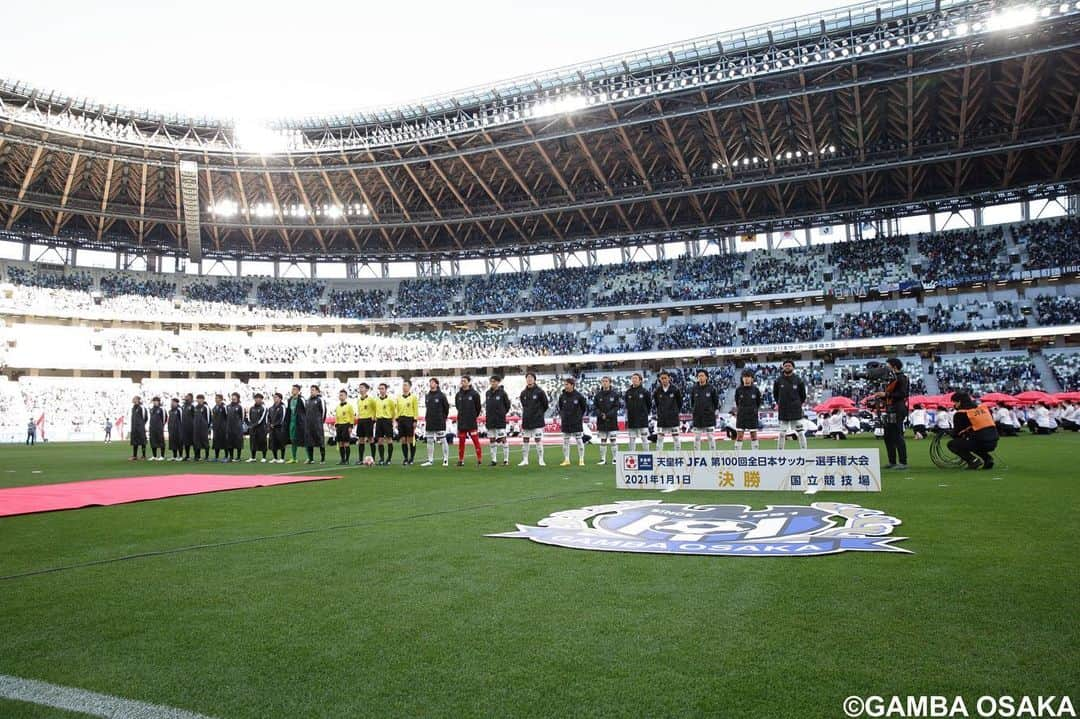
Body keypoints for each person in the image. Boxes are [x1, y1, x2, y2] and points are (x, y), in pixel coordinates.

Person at [948, 392, 999, 470]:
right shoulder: (983, 409)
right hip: (994, 441)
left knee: (952, 444)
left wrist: (948, 432)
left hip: (980, 441)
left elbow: (956, 434)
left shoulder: (961, 414)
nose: (954, 405)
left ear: (959, 402)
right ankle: (988, 459)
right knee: (972, 441)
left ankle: (973, 461)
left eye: (955, 402)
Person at [876, 358, 909, 469]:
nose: (886, 368)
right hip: (891, 408)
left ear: (894, 366)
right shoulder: (891, 378)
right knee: (888, 436)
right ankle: (892, 461)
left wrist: (885, 395)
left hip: (897, 409)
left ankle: (903, 462)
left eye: (888, 365)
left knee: (897, 435)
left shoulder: (902, 378)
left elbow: (902, 394)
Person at [773, 359, 808, 450]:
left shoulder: (798, 380)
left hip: (795, 410)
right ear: (783, 367)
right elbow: (775, 395)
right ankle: (780, 454)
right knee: (781, 434)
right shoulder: (778, 380)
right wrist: (781, 403)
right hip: (783, 411)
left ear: (793, 367)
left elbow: (803, 396)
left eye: (789, 366)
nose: (787, 367)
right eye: (785, 366)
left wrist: (796, 404)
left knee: (800, 433)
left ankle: (804, 452)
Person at [518, 372, 549, 466]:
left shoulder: (540, 391)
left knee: (538, 440)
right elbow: (524, 405)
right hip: (527, 420)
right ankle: (525, 460)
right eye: (527, 377)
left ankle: (541, 460)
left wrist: (539, 414)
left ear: (534, 379)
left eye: (531, 377)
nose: (529, 379)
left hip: (537, 420)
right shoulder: (523, 393)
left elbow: (545, 405)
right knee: (525, 440)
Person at [557, 377, 588, 466]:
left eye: (567, 384)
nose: (565, 386)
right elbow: (560, 407)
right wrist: (563, 416)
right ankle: (566, 460)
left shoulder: (579, 396)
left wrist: (578, 417)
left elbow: (584, 408)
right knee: (565, 441)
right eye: (565, 384)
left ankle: (581, 459)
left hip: (576, 422)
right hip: (566, 422)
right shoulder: (562, 396)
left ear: (572, 385)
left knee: (579, 441)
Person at [455, 375, 483, 467]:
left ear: (469, 382)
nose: (462, 382)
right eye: (461, 381)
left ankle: (479, 459)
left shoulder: (474, 394)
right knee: (461, 442)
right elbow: (457, 406)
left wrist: (473, 416)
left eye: (464, 381)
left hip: (471, 422)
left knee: (476, 441)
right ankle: (461, 460)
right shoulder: (458, 394)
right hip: (462, 422)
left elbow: (478, 407)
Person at [422, 378, 450, 467]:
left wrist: (443, 417)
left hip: (439, 420)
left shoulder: (441, 395)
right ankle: (430, 460)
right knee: (429, 440)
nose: (431, 384)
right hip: (430, 420)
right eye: (430, 382)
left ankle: (445, 459)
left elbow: (446, 408)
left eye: (433, 382)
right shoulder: (427, 395)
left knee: (442, 439)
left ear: (437, 384)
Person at [689, 369, 720, 452]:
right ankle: (697, 456)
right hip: (697, 417)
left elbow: (716, 402)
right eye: (699, 376)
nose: (700, 377)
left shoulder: (712, 388)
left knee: (710, 437)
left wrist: (714, 411)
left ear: (706, 377)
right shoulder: (694, 389)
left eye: (702, 376)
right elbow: (692, 402)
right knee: (697, 437)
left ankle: (713, 455)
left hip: (709, 417)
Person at [592, 376, 621, 465]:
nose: (604, 383)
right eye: (603, 381)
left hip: (612, 420)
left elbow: (617, 407)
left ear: (610, 382)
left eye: (606, 381)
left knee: (613, 440)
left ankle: (615, 459)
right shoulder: (598, 395)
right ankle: (602, 459)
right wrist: (601, 415)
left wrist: (607, 415)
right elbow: (595, 407)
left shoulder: (614, 394)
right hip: (601, 420)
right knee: (603, 440)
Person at [652, 371, 683, 451]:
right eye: (662, 378)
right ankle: (658, 456)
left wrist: (674, 411)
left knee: (676, 438)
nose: (664, 380)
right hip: (662, 418)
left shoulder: (675, 389)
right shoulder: (657, 391)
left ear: (669, 378)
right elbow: (657, 403)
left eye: (665, 378)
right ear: (659, 379)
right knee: (660, 438)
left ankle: (678, 455)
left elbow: (680, 403)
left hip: (673, 418)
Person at [484, 376, 512, 466]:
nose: (493, 383)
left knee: (503, 439)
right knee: (492, 440)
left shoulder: (503, 393)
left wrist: (501, 413)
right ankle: (494, 460)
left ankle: (506, 460)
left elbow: (507, 405)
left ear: (498, 382)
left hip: (500, 420)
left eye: (494, 381)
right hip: (490, 420)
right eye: (491, 381)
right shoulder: (487, 393)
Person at [733, 370, 762, 451]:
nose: (746, 379)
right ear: (742, 379)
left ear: (752, 379)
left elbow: (758, 403)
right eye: (744, 377)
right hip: (741, 415)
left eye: (748, 377)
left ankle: (755, 455)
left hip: (752, 415)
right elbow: (737, 402)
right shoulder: (738, 390)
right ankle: (737, 455)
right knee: (739, 436)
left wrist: (753, 410)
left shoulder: (756, 390)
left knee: (753, 436)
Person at [624, 372, 652, 451]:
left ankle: (646, 455)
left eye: (636, 378)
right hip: (632, 419)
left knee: (644, 439)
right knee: (631, 439)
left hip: (642, 420)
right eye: (633, 378)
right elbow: (627, 404)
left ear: (640, 380)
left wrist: (645, 413)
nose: (634, 380)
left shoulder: (645, 392)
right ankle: (632, 456)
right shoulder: (628, 392)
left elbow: (649, 404)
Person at [397, 380, 419, 466]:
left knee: (410, 439)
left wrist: (415, 420)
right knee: (403, 440)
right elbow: (397, 409)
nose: (404, 387)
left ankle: (412, 458)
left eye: (406, 385)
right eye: (403, 385)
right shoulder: (399, 397)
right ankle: (405, 458)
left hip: (409, 419)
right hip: (401, 419)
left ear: (410, 387)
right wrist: (397, 419)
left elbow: (415, 409)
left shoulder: (413, 397)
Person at [374, 383, 396, 466]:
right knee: (380, 440)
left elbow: (394, 412)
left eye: (382, 388)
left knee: (389, 439)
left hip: (387, 420)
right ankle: (381, 459)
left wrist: (393, 421)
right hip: (379, 421)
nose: (381, 390)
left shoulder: (390, 400)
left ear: (386, 390)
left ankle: (389, 459)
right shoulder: (376, 400)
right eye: (380, 389)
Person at [304, 385, 327, 464]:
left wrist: (321, 422)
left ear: (317, 391)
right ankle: (311, 459)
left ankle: (323, 459)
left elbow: (323, 412)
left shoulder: (320, 399)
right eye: (311, 390)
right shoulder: (307, 400)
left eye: (313, 390)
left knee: (320, 441)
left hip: (317, 425)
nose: (311, 391)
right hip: (309, 425)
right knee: (309, 442)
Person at [284, 384, 307, 464]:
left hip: (300, 423)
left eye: (294, 389)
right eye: (292, 389)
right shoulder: (290, 400)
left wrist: (305, 421)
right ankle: (294, 458)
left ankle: (309, 458)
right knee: (293, 440)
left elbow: (306, 410)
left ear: (298, 391)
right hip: (292, 422)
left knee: (304, 439)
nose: (292, 390)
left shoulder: (302, 399)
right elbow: (289, 411)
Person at [334, 389, 355, 465]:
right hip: (339, 425)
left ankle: (347, 460)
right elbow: (336, 416)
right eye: (340, 395)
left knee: (346, 443)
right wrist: (336, 425)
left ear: (346, 396)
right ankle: (342, 459)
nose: (341, 396)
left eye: (342, 395)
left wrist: (350, 426)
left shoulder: (349, 406)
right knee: (340, 443)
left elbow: (352, 416)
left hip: (346, 425)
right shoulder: (338, 406)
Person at [247, 393, 268, 462]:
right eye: (256, 398)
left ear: (261, 399)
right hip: (253, 428)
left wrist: (255, 424)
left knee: (262, 442)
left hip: (261, 428)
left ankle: (264, 457)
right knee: (253, 442)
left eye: (259, 398)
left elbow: (262, 419)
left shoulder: (264, 408)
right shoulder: (252, 408)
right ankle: (253, 457)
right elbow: (249, 417)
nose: (257, 400)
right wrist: (251, 425)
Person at [268, 392, 287, 463]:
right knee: (273, 443)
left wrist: (275, 424)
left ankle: (282, 458)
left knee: (281, 443)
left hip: (280, 428)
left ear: (280, 398)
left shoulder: (282, 407)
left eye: (276, 397)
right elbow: (269, 417)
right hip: (272, 429)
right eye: (274, 397)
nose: (274, 398)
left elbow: (282, 418)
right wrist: (270, 424)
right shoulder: (271, 408)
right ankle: (275, 458)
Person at [226, 392, 245, 462]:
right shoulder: (228, 406)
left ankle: (238, 457)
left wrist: (239, 424)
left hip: (237, 427)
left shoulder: (240, 407)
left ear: (237, 398)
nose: (233, 398)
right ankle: (231, 457)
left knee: (238, 442)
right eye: (232, 396)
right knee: (230, 442)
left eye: (235, 397)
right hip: (229, 427)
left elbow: (242, 417)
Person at [211, 394, 229, 462]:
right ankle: (216, 457)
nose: (216, 399)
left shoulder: (224, 407)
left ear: (221, 399)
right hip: (216, 428)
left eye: (217, 398)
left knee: (224, 442)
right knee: (216, 443)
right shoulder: (214, 407)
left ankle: (226, 457)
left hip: (223, 428)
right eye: (215, 398)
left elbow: (228, 417)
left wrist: (226, 426)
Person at [129, 396, 148, 461]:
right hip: (134, 428)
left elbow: (145, 417)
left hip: (140, 428)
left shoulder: (142, 407)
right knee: (135, 442)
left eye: (134, 399)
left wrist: (141, 425)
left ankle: (144, 455)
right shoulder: (133, 408)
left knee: (143, 442)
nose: (133, 400)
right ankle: (134, 456)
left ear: (138, 400)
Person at [193, 394, 211, 461]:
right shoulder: (195, 407)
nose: (199, 400)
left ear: (203, 399)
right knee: (196, 442)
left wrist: (207, 426)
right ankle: (197, 456)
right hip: (196, 428)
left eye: (200, 398)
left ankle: (207, 456)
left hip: (203, 428)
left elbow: (209, 418)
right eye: (198, 398)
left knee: (205, 441)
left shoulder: (206, 407)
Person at [181, 393, 195, 460]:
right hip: (184, 427)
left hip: (191, 427)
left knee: (194, 442)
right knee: (186, 442)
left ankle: (196, 456)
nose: (186, 398)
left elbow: (195, 416)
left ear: (191, 398)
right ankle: (187, 456)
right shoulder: (183, 406)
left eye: (188, 397)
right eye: (186, 397)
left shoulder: (192, 406)